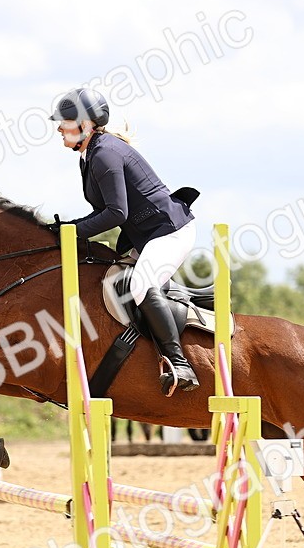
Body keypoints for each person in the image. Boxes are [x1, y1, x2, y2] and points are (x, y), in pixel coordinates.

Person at [48, 87, 199, 397]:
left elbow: (117, 213)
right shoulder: (89, 156)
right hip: (145, 234)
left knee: (140, 285)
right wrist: (70, 229)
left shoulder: (104, 154)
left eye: (65, 122)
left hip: (169, 231)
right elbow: (103, 211)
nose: (59, 128)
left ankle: (180, 363)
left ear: (86, 125)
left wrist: (72, 232)